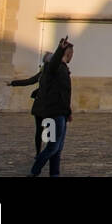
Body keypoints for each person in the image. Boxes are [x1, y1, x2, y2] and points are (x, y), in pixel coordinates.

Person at [30, 37, 73, 177]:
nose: (72, 55)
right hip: (53, 114)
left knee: (57, 149)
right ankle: (34, 171)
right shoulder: (52, 68)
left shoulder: (64, 69)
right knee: (52, 147)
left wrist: (69, 111)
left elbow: (64, 93)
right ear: (67, 53)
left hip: (61, 114)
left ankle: (54, 174)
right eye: (71, 52)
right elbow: (53, 63)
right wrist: (59, 49)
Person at [9, 52, 51, 152]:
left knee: (39, 130)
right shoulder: (52, 73)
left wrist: (13, 83)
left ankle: (38, 152)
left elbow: (29, 81)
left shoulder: (42, 72)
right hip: (48, 106)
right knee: (50, 131)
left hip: (39, 105)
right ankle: (48, 152)